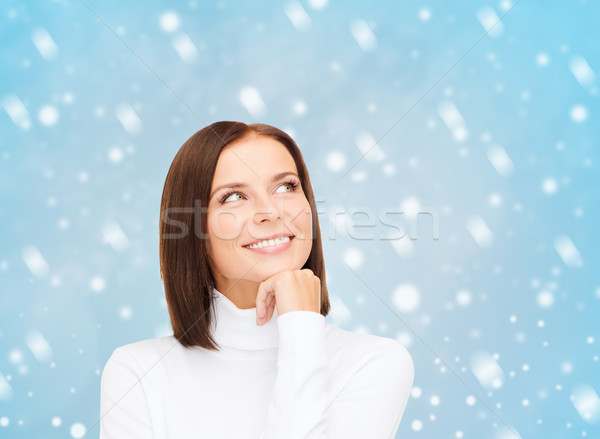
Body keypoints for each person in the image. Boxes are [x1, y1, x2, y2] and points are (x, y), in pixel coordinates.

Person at [100, 121, 414, 438]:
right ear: (193, 228)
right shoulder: (137, 374)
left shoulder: (374, 363)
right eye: (234, 196)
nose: (270, 211)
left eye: (286, 187)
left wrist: (301, 327)